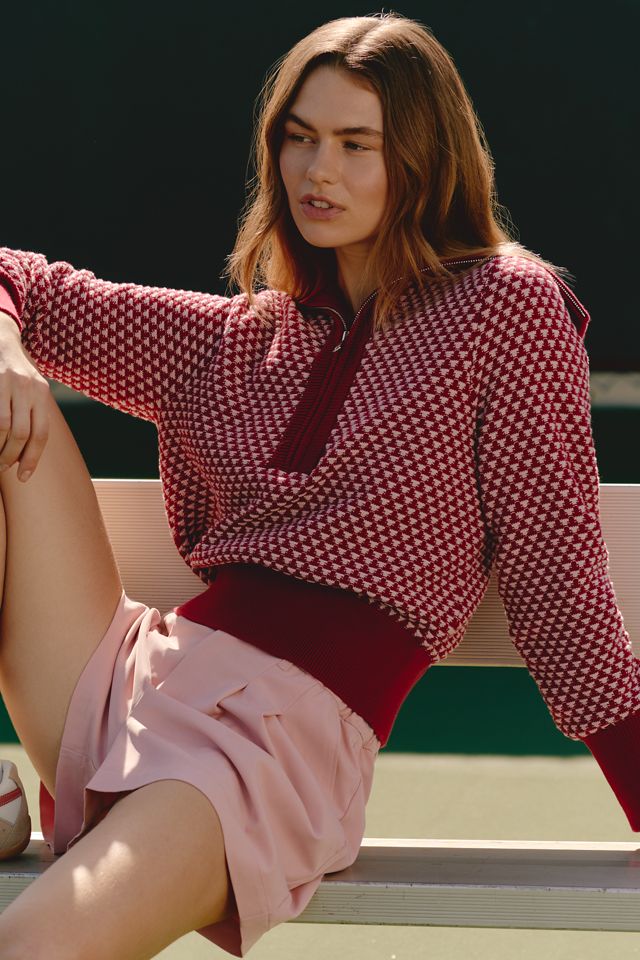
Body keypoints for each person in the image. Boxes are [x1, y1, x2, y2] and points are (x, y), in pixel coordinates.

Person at [0, 10, 636, 959]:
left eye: (354, 144)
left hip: (265, 753)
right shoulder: (238, 338)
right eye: (298, 138)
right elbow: (15, 280)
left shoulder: (506, 308)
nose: (316, 171)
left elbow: (558, 592)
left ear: (423, 157)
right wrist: (8, 352)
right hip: (127, 679)